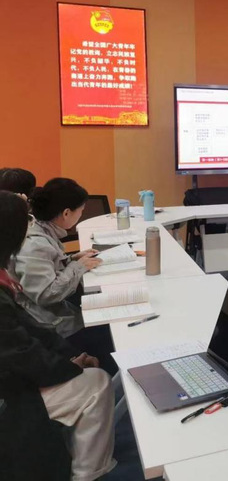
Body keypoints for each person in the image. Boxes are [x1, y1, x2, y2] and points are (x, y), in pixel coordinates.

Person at [0, 190, 116, 481]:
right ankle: (88, 474)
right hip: (10, 394)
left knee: (90, 372)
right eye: (25, 221)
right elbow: (19, 354)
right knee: (98, 383)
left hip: (21, 372)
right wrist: (68, 368)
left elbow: (28, 331)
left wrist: (68, 358)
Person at [13, 178, 101, 338]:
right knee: (105, 329)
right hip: (45, 325)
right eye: (81, 210)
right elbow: (46, 294)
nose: (81, 214)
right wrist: (78, 266)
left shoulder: (40, 229)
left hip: (52, 313)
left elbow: (48, 266)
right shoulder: (35, 245)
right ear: (66, 213)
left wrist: (71, 260)